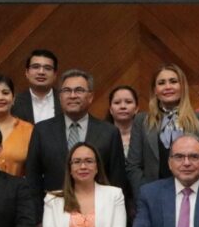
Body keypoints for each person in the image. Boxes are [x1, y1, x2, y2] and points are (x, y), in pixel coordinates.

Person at [26, 69, 128, 215]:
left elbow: (117, 180)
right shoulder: (42, 130)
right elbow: (32, 178)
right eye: (67, 90)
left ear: (90, 97)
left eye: (79, 90)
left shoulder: (109, 132)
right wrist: (37, 218)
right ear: (60, 96)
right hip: (53, 213)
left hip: (98, 214)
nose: (72, 95)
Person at [126, 64, 199, 192]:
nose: (168, 87)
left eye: (173, 81)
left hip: (191, 194)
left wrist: (195, 194)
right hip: (152, 194)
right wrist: (146, 194)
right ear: (155, 90)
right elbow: (133, 165)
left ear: (182, 87)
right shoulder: (141, 120)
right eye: (161, 83)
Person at [40, 142, 127, 227]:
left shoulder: (115, 194)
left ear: (97, 167)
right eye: (77, 162)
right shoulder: (52, 199)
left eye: (89, 161)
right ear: (70, 169)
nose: (83, 167)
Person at [10, 49, 61, 124]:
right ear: (27, 72)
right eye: (36, 67)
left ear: (55, 74)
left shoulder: (65, 100)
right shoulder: (13, 103)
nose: (41, 72)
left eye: (47, 68)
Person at [105, 85, 138, 156]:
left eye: (128, 102)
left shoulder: (145, 136)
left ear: (136, 109)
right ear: (110, 109)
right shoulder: (102, 136)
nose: (123, 106)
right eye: (117, 102)